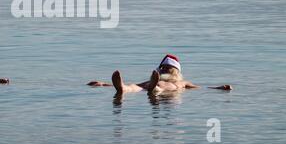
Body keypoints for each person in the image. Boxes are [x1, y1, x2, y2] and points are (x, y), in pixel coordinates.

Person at [88, 54, 232, 95]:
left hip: (150, 84)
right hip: (165, 88)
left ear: (161, 69)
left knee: (133, 87)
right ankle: (152, 88)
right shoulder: (181, 82)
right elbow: (201, 88)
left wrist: (103, 84)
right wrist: (219, 87)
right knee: (158, 88)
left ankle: (122, 88)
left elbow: (136, 85)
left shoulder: (159, 76)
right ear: (177, 72)